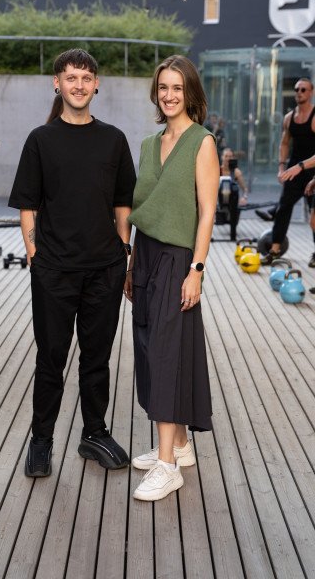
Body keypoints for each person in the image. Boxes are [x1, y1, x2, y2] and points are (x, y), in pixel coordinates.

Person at [8, 48, 136, 477]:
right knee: (51, 359)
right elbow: (28, 206)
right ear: (57, 83)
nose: (78, 85)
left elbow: (123, 202)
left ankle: (94, 433)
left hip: (104, 269)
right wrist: (35, 257)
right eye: (70, 77)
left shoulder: (114, 139)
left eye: (86, 78)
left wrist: (123, 252)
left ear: (96, 85)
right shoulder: (40, 140)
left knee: (97, 359)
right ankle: (41, 440)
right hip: (54, 271)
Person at [124, 55, 219, 501]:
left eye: (177, 87)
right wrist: (131, 264)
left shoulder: (202, 142)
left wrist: (196, 270)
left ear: (190, 92)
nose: (169, 95)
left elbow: (207, 212)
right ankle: (178, 445)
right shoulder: (148, 144)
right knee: (148, 347)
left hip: (178, 257)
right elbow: (141, 207)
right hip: (144, 253)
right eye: (163, 87)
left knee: (165, 352)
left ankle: (167, 467)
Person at [260, 78, 315, 266]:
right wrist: (281, 167)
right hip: (294, 170)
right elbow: (284, 143)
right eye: (297, 89)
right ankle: (274, 250)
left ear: (311, 92)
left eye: (303, 89)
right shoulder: (289, 118)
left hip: (312, 171)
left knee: (313, 216)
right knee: (283, 208)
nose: (299, 92)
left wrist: (300, 167)